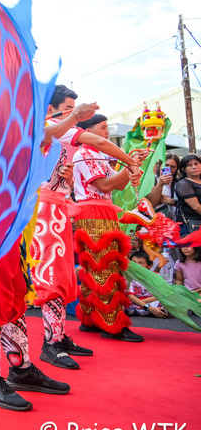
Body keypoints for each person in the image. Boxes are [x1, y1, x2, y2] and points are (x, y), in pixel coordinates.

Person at [0, 100, 70, 412]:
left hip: (11, 195)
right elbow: (38, 136)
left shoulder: (19, 94)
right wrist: (74, 117)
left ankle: (20, 369)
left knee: (15, 288)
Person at [31, 86, 133, 369]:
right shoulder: (51, 126)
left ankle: (59, 334)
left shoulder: (62, 136)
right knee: (50, 273)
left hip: (60, 207)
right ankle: (50, 342)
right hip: (43, 209)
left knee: (63, 275)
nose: (76, 116)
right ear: (51, 110)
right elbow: (100, 144)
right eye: (69, 109)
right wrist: (129, 161)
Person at [73, 114, 144, 342]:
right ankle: (112, 324)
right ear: (88, 130)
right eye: (102, 128)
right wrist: (130, 164)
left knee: (96, 268)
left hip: (101, 211)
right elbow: (103, 186)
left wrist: (132, 163)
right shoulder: (85, 153)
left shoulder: (99, 155)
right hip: (94, 212)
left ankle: (92, 320)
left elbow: (119, 185)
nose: (106, 132)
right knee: (105, 268)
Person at [126, 251, 169, 317]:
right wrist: (149, 308)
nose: (136, 265)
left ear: (149, 265)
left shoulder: (155, 276)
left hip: (150, 302)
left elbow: (160, 295)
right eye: (133, 262)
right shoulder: (128, 277)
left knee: (166, 302)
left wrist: (143, 303)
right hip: (135, 304)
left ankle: (154, 311)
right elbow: (131, 297)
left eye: (141, 263)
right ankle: (153, 311)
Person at [175, 154, 201, 234]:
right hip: (193, 224)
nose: (194, 167)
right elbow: (196, 207)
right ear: (183, 169)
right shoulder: (183, 184)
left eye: (196, 164)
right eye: (190, 165)